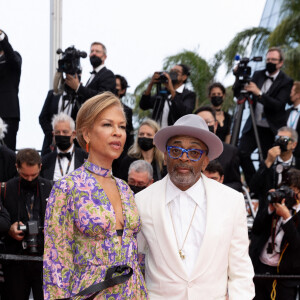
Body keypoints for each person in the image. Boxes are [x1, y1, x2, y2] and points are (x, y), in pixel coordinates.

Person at [135, 114, 255, 299]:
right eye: (176, 150)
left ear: (205, 160)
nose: (184, 158)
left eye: (194, 152)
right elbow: (135, 259)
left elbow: (241, 270)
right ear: (165, 156)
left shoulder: (232, 201)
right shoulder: (141, 201)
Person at [43, 92, 147, 299]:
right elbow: (56, 261)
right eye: (108, 125)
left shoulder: (125, 188)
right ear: (87, 134)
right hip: (90, 293)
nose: (118, 132)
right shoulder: (67, 187)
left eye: (122, 126)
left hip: (133, 292)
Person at [235, 47, 294, 186]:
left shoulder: (286, 81)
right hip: (254, 126)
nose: (270, 62)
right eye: (268, 59)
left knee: (268, 161)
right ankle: (252, 185)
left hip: (271, 129)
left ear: (280, 63)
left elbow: (278, 105)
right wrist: (238, 76)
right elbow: (238, 94)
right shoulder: (257, 74)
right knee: (241, 153)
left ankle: (264, 189)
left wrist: (258, 93)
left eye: (273, 60)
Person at [1, 148, 52, 300]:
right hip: (14, 261)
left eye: (34, 175)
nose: (29, 179)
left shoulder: (51, 187)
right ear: (16, 167)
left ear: (40, 167)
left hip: (45, 263)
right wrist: (9, 229)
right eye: (24, 175)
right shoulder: (5, 189)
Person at [250, 168, 300, 300]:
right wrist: (269, 209)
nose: (286, 195)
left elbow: (297, 245)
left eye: (291, 191)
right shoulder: (274, 204)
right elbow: (256, 229)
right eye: (284, 190)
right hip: (260, 269)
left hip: (284, 277)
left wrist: (287, 218)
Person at [249, 127, 300, 212]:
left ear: (294, 144)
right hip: (268, 211)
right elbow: (253, 187)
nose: (280, 142)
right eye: (278, 138)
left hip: (292, 212)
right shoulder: (268, 162)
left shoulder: (298, 164)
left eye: (285, 139)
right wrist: (268, 162)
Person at [195, 106, 243, 192]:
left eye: (207, 122)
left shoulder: (230, 152)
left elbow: (236, 184)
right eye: (200, 123)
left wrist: (216, 187)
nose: (204, 126)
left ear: (215, 125)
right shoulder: (184, 152)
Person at [40, 112, 87, 181]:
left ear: (74, 134)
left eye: (65, 132)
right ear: (53, 135)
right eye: (57, 132)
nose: (61, 135)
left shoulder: (86, 159)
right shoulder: (44, 161)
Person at [0, 29, 22, 150]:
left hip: (7, 113)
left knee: (7, 151)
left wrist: (1, 37)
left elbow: (12, 58)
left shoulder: (14, 57)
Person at [285, 81, 300, 158]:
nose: (289, 94)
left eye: (291, 92)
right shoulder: (287, 112)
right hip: (286, 154)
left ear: (298, 95)